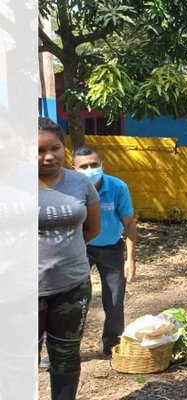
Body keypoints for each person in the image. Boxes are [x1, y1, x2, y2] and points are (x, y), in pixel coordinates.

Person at [38, 117, 101, 400]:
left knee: (66, 356)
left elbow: (92, 229)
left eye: (56, 148)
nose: (49, 156)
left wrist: (65, 254)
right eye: (38, 150)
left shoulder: (80, 183)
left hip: (72, 286)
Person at [72, 145, 137, 357]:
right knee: (72, 300)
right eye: (84, 166)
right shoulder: (70, 189)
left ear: (102, 165)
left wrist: (131, 259)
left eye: (94, 164)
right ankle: (66, 349)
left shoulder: (118, 187)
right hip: (79, 248)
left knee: (115, 298)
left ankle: (112, 344)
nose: (90, 169)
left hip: (111, 248)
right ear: (74, 169)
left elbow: (129, 223)